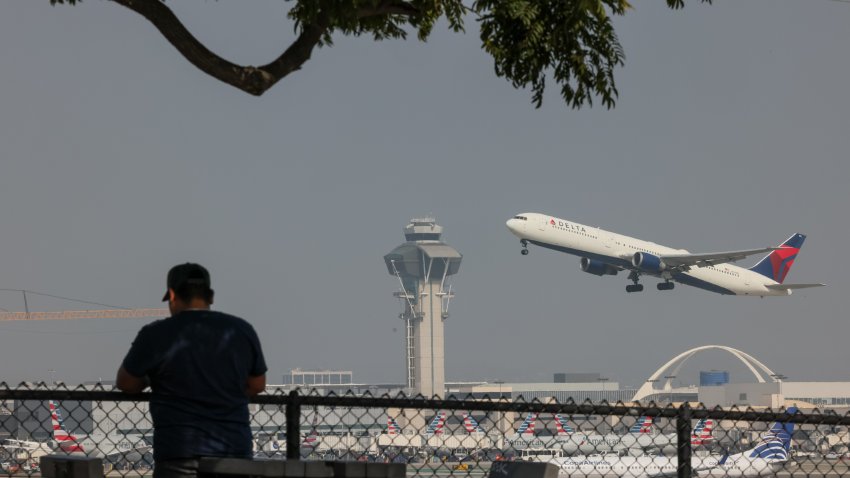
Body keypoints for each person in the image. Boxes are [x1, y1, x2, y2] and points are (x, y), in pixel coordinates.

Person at [116, 263, 267, 478]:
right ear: (211, 296)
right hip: (232, 449)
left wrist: (152, 377)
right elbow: (257, 384)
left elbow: (126, 383)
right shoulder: (241, 330)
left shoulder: (155, 334)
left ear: (172, 295)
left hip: (178, 450)